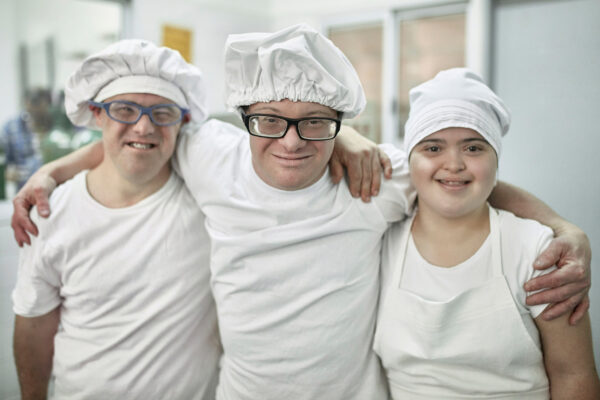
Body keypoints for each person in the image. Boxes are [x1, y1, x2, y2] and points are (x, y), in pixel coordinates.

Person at [11, 25, 592, 399]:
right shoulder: (211, 154)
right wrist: (51, 171)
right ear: (244, 120)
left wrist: (564, 228)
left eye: (314, 122)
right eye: (271, 122)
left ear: (338, 122)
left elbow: (464, 177)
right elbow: (136, 132)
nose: (290, 142)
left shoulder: (373, 178)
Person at [12, 40, 221, 400]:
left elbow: (282, 143)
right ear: (98, 114)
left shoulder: (210, 203)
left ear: (183, 121)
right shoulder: (50, 211)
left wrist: (340, 133)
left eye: (162, 113)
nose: (143, 127)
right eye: (124, 110)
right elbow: (33, 326)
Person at [374, 68, 600, 399]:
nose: (453, 164)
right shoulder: (382, 243)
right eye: (433, 148)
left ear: (496, 161)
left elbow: (574, 373)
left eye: (474, 148)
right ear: (410, 162)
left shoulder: (535, 249)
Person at [1, 88, 53, 190]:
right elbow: (4, 161)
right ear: (26, 102)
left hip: (53, 186)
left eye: (39, 103)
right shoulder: (11, 127)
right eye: (33, 102)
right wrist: (8, 172)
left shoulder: (57, 124)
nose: (36, 108)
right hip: (24, 188)